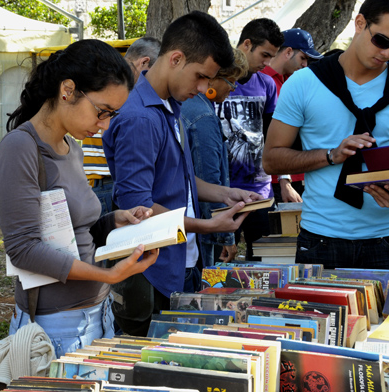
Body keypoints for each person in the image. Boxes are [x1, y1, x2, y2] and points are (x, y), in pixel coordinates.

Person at [0, 39, 159, 358]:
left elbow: (73, 232)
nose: (105, 125)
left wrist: (114, 220)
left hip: (96, 316)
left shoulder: (72, 148)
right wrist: (108, 274)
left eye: (112, 115)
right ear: (67, 90)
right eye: (102, 111)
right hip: (54, 328)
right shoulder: (20, 148)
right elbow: (24, 249)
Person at [103, 11, 260, 336]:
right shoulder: (141, 119)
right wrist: (206, 225)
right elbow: (138, 209)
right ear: (175, 59)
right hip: (151, 271)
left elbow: (183, 183)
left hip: (180, 261)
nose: (204, 88)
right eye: (201, 76)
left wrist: (225, 194)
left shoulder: (170, 107)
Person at [263, 0, 389, 269]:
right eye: (382, 40)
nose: (387, 53)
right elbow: (271, 160)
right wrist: (330, 155)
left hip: (387, 239)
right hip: (320, 239)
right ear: (360, 23)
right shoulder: (304, 84)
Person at [215, 18, 286, 260]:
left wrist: (282, 179)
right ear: (247, 44)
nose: (267, 63)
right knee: (219, 264)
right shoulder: (214, 81)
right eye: (264, 55)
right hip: (219, 191)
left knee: (264, 262)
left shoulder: (266, 84)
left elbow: (272, 135)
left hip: (258, 191)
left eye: (271, 57)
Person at [181, 48, 250, 266]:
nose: (233, 88)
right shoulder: (203, 116)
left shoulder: (189, 107)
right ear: (212, 79)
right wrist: (225, 238)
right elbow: (208, 176)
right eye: (231, 81)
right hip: (201, 231)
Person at [82, 37, 161, 216]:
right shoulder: (119, 87)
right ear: (144, 62)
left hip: (102, 182)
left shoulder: (108, 77)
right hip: (105, 182)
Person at [261, 28, 323, 204]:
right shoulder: (261, 81)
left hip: (298, 173)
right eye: (303, 58)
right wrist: (284, 181)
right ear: (288, 52)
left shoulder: (293, 82)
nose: (305, 65)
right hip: (273, 180)